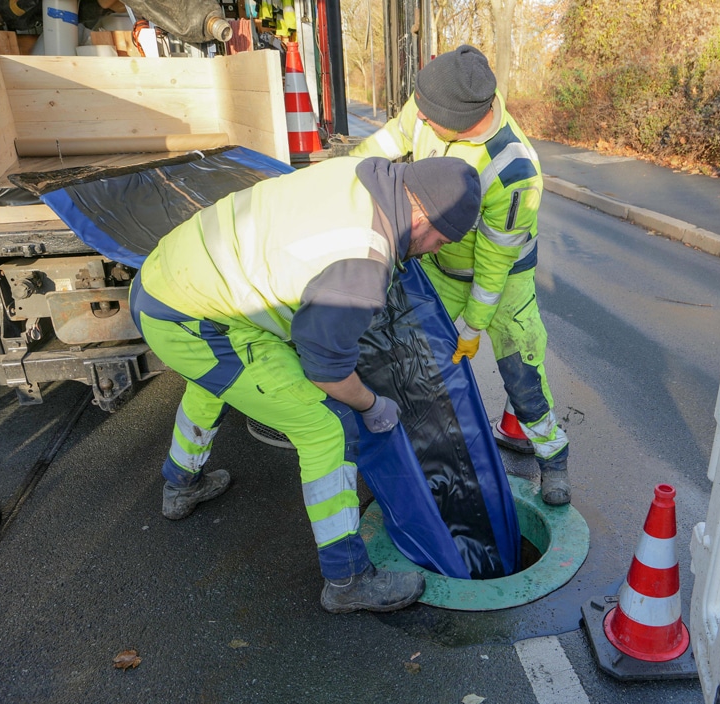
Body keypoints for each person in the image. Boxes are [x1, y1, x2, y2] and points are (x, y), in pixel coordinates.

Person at [130, 155, 481, 613]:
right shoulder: (363, 258)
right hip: (194, 320)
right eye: (441, 238)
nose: (436, 249)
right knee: (328, 427)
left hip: (165, 278)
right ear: (421, 216)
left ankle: (180, 484)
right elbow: (327, 371)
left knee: (215, 381)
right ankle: (348, 579)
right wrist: (372, 404)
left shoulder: (365, 173)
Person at [351, 45, 571, 506]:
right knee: (413, 360)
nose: (421, 120)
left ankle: (553, 458)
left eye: (431, 118)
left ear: (461, 117)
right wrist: (345, 181)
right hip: (439, 266)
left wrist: (473, 326)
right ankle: (407, 459)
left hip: (504, 282)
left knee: (522, 373)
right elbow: (383, 146)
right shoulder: (432, 104)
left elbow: (494, 263)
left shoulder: (513, 171)